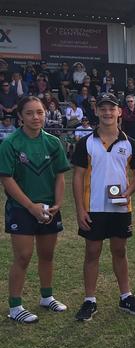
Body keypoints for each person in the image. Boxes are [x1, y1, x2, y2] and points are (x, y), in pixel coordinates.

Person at [71, 93, 135, 321]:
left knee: (119, 251)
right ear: (96, 111)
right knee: (92, 252)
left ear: (119, 112)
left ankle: (126, 296)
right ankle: (89, 300)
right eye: (102, 108)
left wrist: (128, 192)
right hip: (93, 208)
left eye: (111, 108)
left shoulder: (130, 143)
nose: (107, 112)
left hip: (120, 208)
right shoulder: (86, 142)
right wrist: (80, 210)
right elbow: (77, 178)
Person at [0, 96, 70, 323]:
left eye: (39, 112)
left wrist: (58, 204)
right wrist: (30, 206)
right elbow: (7, 180)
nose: (35, 117)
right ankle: (15, 306)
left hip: (49, 208)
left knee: (47, 255)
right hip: (21, 208)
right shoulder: (10, 144)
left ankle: (46, 297)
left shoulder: (53, 142)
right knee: (23, 256)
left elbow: (60, 176)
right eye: (29, 113)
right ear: (20, 116)